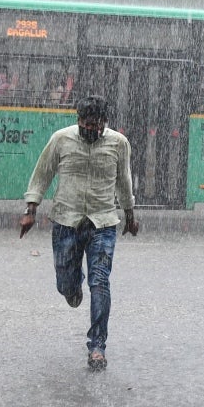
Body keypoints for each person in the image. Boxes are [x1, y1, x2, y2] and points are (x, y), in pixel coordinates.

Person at [19, 95, 139, 370]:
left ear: (105, 123)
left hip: (103, 222)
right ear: (78, 121)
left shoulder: (119, 144)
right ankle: (72, 287)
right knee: (67, 285)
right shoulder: (61, 139)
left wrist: (130, 215)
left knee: (100, 282)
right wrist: (31, 210)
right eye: (87, 125)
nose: (91, 131)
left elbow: (124, 181)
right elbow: (42, 174)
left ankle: (97, 346)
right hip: (66, 221)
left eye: (97, 126)